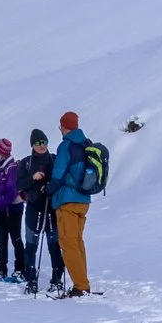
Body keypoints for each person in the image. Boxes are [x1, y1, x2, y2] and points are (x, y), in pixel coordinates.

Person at [50, 112, 102, 297]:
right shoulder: (85, 143)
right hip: (84, 200)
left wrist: (50, 189)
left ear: (64, 127)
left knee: (68, 243)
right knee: (77, 242)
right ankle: (82, 282)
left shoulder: (66, 145)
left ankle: (81, 286)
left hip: (68, 200)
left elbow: (59, 172)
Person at [17, 129, 59, 294]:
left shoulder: (55, 160)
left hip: (52, 207)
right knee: (31, 245)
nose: (41, 146)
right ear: (32, 145)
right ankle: (31, 279)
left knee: (54, 245)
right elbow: (18, 185)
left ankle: (57, 278)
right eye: (38, 143)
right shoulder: (26, 163)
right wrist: (32, 179)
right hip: (34, 207)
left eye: (44, 142)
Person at [0, 138, 24, 282]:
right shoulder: (0, 167)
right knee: (1, 239)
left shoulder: (11, 167)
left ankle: (20, 269)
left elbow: (10, 192)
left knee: (15, 238)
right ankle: (1, 269)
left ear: (1, 152)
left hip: (13, 208)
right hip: (2, 208)